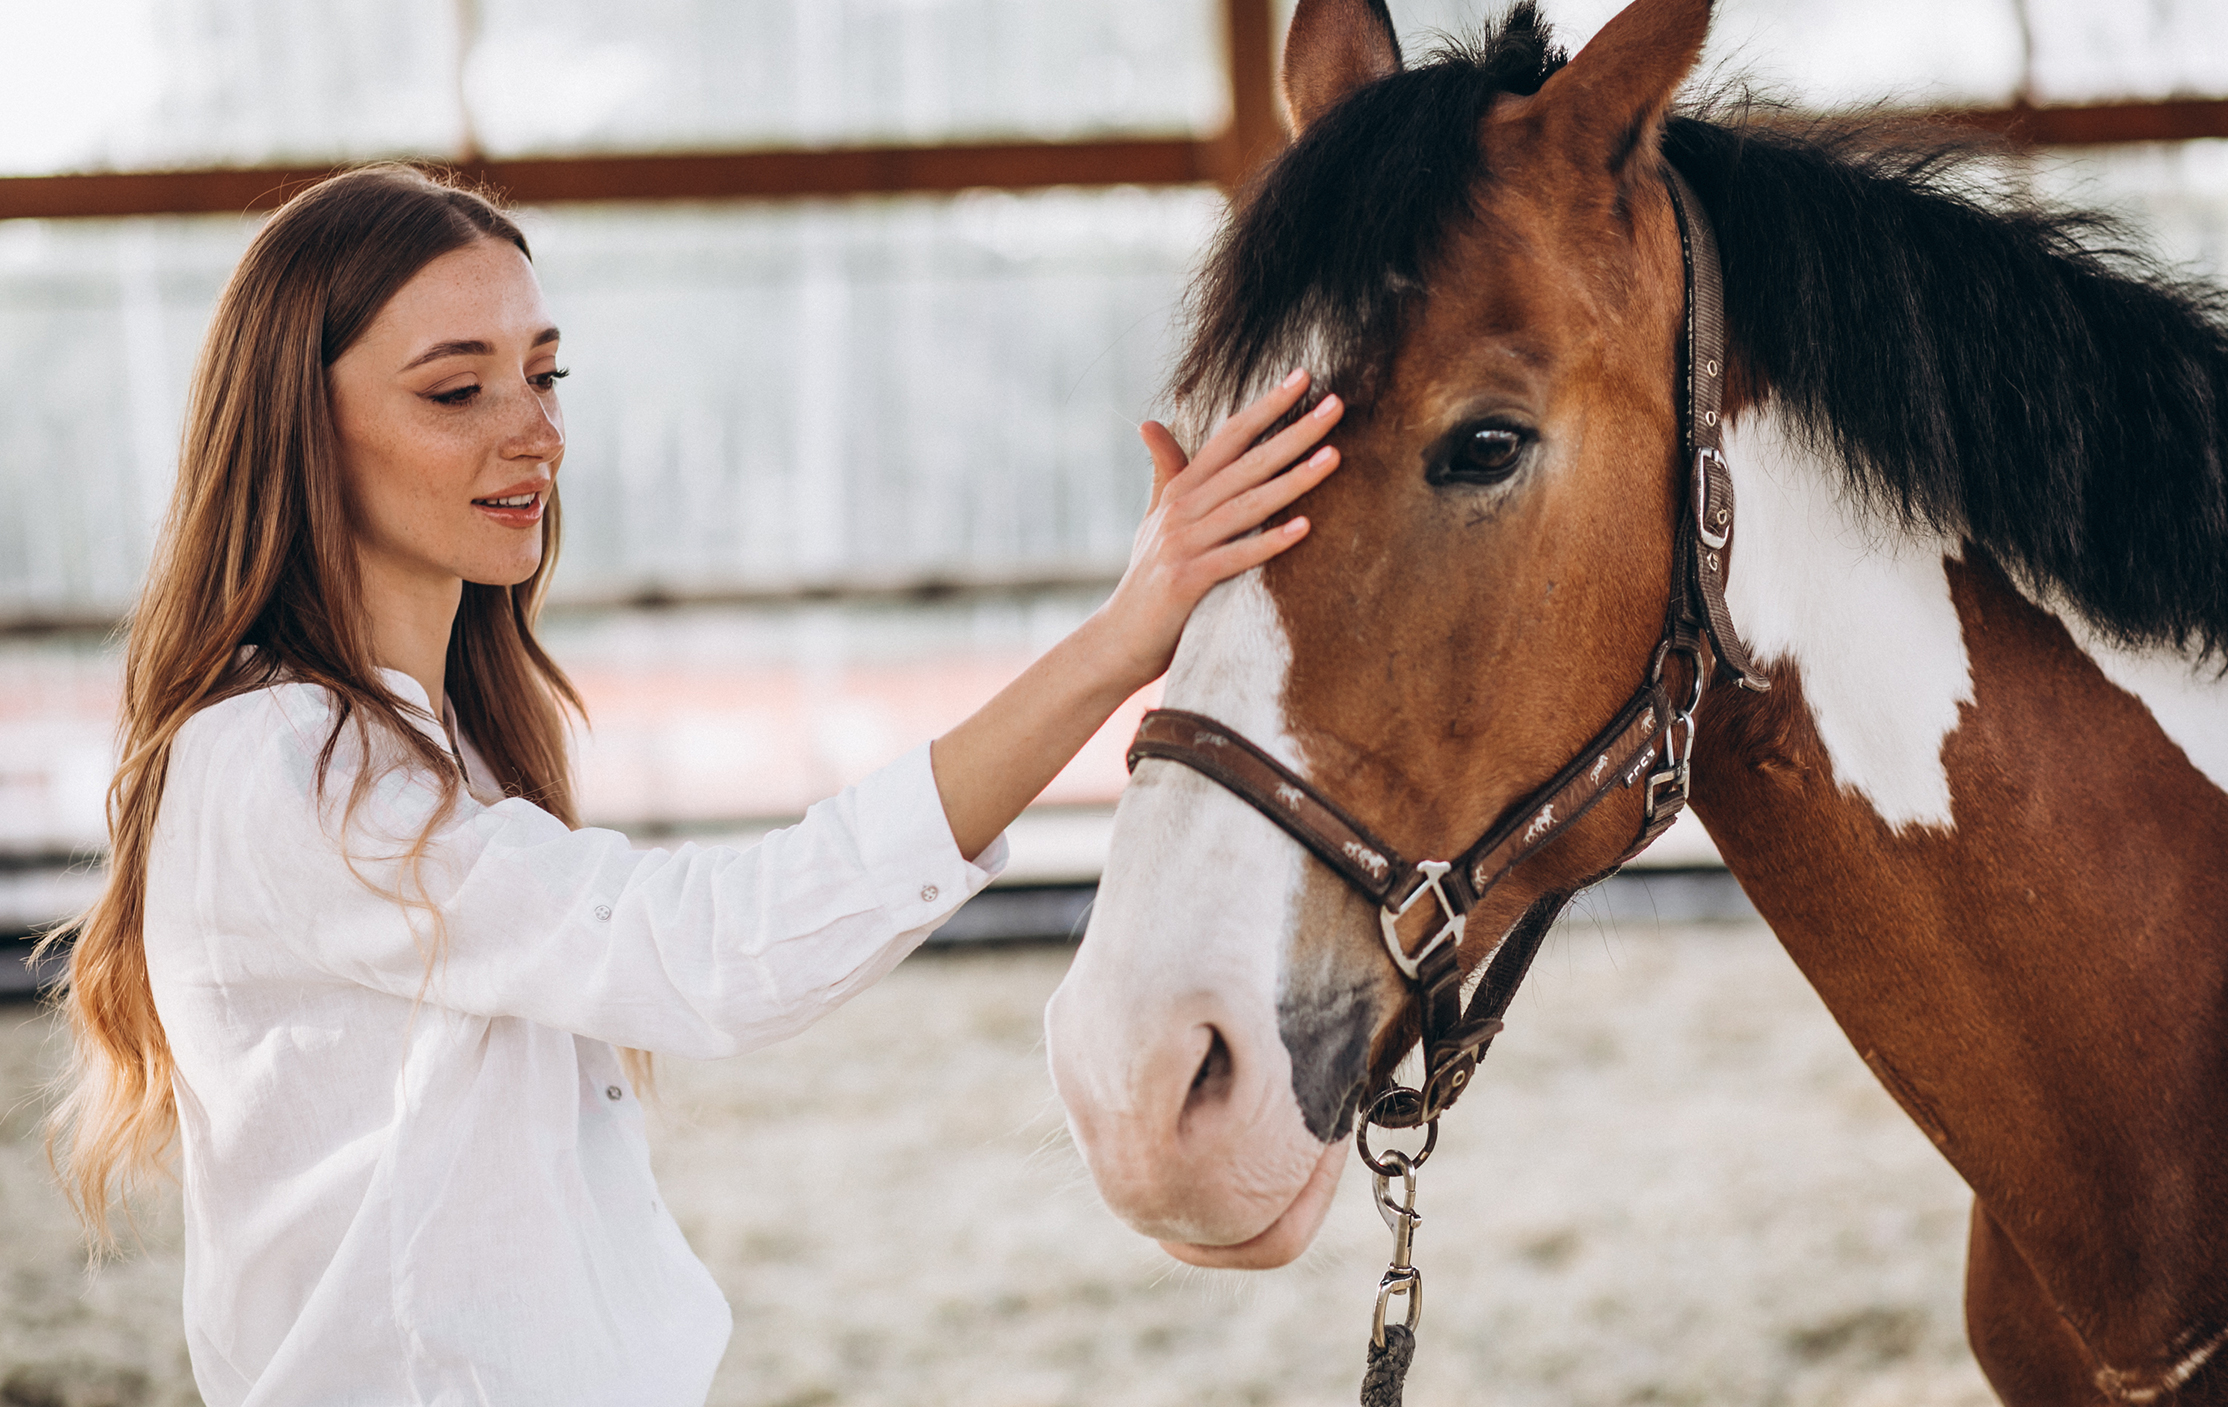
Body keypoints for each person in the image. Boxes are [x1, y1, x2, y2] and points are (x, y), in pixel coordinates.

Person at [39, 164, 1342, 1405]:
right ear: (297, 425)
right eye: (457, 392)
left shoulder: (446, 748)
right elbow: (715, 952)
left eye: (545, 375)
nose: (534, 431)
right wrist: (1119, 641)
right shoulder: (281, 769)